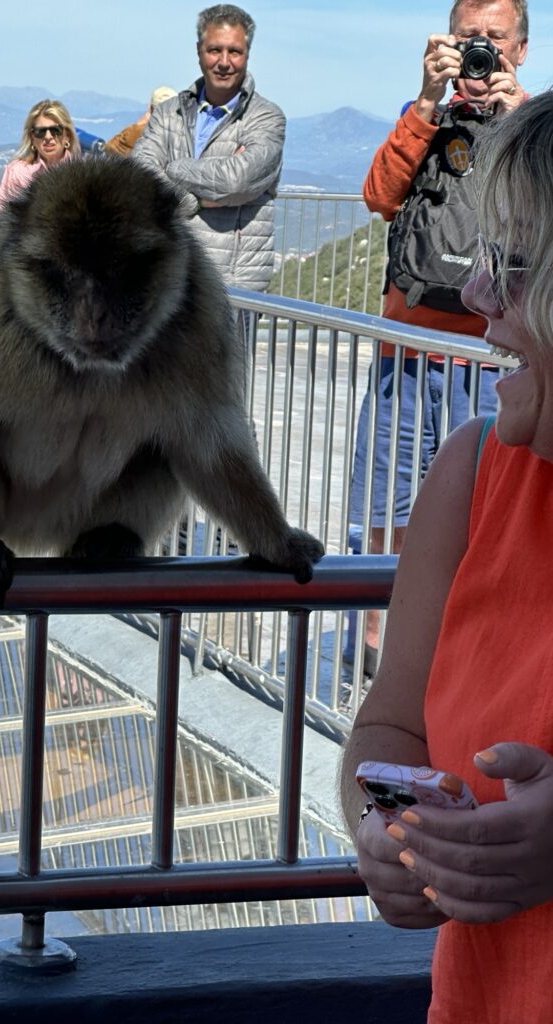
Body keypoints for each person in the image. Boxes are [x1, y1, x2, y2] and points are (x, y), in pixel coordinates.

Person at [341, 89, 553, 1023]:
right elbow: (391, 731)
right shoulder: (471, 475)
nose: (473, 297)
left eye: (512, 265)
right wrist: (388, 828)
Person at [346, 0, 529, 672]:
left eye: (495, 40)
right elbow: (379, 195)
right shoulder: (425, 116)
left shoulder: (535, 127)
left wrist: (517, 125)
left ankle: (464, 653)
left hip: (490, 358)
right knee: (387, 505)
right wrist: (426, 99)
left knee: (484, 512)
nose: (480, 55)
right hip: (407, 349)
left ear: (522, 50)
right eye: (467, 39)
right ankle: (375, 651)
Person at [132, 4, 285, 293]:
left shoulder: (266, 117)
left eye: (235, 52)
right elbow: (140, 178)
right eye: (215, 50)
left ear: (247, 54)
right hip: (170, 276)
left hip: (233, 284)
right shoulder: (168, 113)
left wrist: (174, 168)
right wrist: (200, 200)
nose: (224, 62)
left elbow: (235, 180)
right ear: (199, 51)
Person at [0, 99, 81, 211]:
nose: (48, 137)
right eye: (40, 132)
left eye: (55, 130)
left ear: (67, 136)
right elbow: (2, 218)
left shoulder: (82, 173)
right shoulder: (17, 172)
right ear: (32, 137)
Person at [105, 86, 177, 157]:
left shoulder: (138, 132)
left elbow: (109, 148)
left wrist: (138, 126)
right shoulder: (184, 135)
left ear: (151, 109)